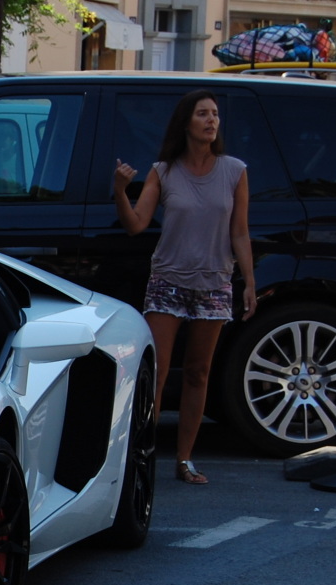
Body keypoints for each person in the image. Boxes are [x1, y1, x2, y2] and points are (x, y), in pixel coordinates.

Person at [114, 89, 257, 485]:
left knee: (198, 372)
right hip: (168, 281)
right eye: (202, 114)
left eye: (215, 115)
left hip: (214, 282)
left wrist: (249, 283)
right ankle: (144, 455)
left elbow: (240, 232)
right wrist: (120, 191)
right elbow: (136, 224)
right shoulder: (164, 171)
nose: (211, 121)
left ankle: (185, 459)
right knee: (156, 372)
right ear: (186, 123)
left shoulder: (234, 171)